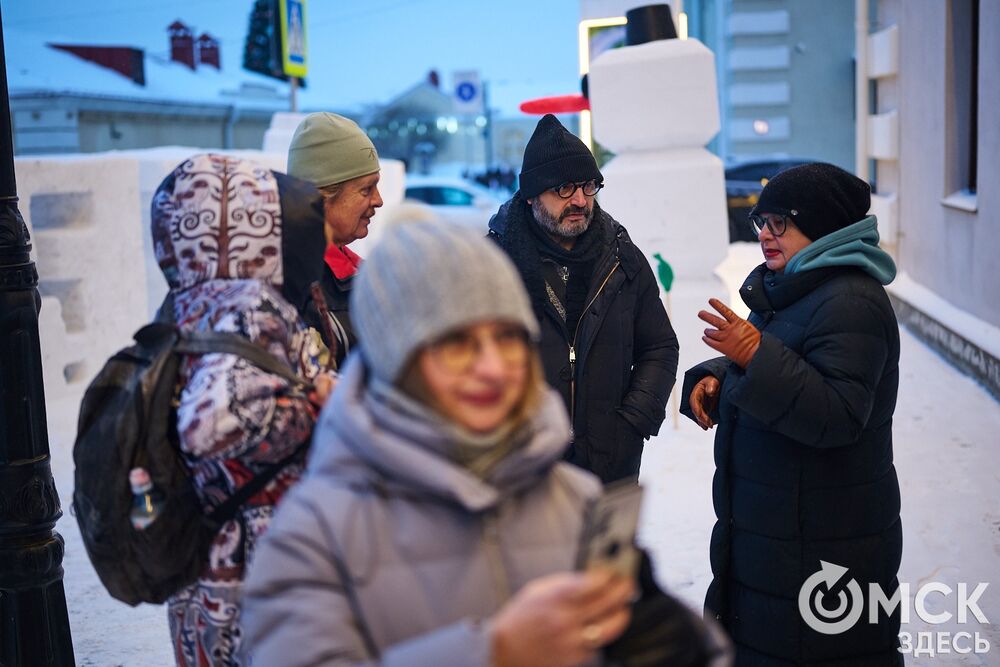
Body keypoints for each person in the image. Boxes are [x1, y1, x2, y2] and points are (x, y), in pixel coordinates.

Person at [241, 222, 644, 666]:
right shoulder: (312, 536)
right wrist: (494, 654)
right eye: (457, 344)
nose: (493, 368)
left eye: (508, 336)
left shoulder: (576, 499)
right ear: (399, 364)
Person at [681, 163, 902, 665]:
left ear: (821, 224)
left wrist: (754, 356)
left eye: (780, 222)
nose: (764, 235)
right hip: (782, 541)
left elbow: (838, 414)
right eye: (761, 221)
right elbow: (788, 358)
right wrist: (721, 372)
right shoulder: (794, 287)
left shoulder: (851, 300)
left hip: (825, 549)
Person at [150, 153, 336, 665]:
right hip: (248, 576)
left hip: (209, 565)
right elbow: (211, 422)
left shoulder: (191, 303)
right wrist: (319, 407)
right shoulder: (244, 311)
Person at [488, 114, 679, 484]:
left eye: (588, 186)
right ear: (531, 196)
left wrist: (632, 424)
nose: (579, 200)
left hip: (610, 467)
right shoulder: (492, 265)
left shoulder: (622, 257)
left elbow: (659, 346)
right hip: (524, 473)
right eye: (563, 188)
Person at [286, 111, 384, 366]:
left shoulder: (356, 272)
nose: (379, 200)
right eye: (366, 189)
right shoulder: (286, 285)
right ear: (320, 196)